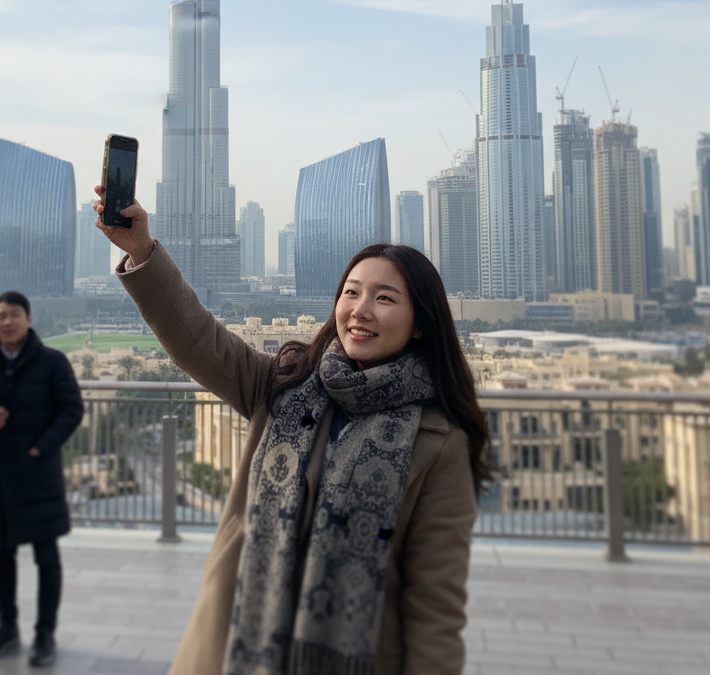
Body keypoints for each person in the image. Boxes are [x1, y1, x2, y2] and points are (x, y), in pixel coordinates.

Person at [93, 187, 491, 675]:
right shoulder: (285, 383)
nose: (360, 310)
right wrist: (141, 251)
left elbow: (435, 608)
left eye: (383, 298)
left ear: (420, 324)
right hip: (236, 643)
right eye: (351, 292)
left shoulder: (439, 442)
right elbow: (197, 338)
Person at [0, 291, 84, 667]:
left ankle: (44, 633)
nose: (8, 322)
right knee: (2, 557)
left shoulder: (52, 362)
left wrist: (42, 448)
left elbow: (72, 409)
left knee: (46, 558)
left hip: (38, 473)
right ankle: (6, 628)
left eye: (15, 314)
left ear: (29, 319)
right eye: (1, 316)